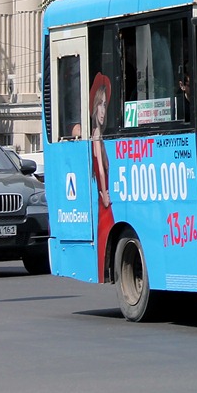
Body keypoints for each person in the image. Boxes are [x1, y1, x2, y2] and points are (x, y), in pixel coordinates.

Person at [90, 72, 115, 278]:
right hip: (104, 203)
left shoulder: (100, 135)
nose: (103, 111)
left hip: (104, 202)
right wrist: (105, 194)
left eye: (106, 106)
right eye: (101, 105)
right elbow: (99, 168)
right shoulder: (96, 136)